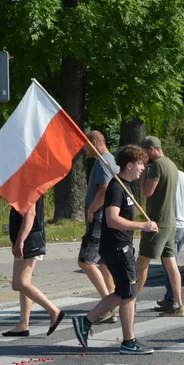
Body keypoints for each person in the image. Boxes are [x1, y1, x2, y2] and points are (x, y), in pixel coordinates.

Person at [72, 145, 158, 355]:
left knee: (122, 292)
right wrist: (142, 226)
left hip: (122, 247)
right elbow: (112, 220)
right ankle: (129, 342)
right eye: (140, 164)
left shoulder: (124, 186)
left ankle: (85, 322)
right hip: (117, 248)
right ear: (129, 165)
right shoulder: (117, 187)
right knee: (129, 294)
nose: (143, 168)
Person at [3, 195, 66, 337]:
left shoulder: (30, 187)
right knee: (24, 284)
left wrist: (20, 241)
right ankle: (23, 324)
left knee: (20, 283)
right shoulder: (26, 186)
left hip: (29, 240)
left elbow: (30, 215)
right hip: (27, 239)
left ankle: (54, 311)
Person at [135, 136, 184, 316]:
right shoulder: (171, 164)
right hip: (170, 222)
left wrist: (144, 176)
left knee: (142, 264)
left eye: (144, 153)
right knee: (171, 264)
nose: (142, 158)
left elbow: (148, 192)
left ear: (151, 149)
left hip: (156, 222)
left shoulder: (156, 166)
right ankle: (178, 304)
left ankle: (130, 301)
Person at [77, 130, 118, 322]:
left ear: (94, 142)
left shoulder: (102, 162)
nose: (84, 149)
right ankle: (112, 304)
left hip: (99, 219)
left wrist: (92, 210)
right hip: (107, 220)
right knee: (103, 263)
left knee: (85, 261)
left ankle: (107, 303)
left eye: (86, 144)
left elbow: (103, 190)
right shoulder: (112, 160)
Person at [157, 167, 184, 315]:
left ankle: (173, 300)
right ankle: (169, 297)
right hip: (183, 225)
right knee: (170, 264)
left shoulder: (166, 178)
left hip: (172, 225)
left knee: (170, 266)